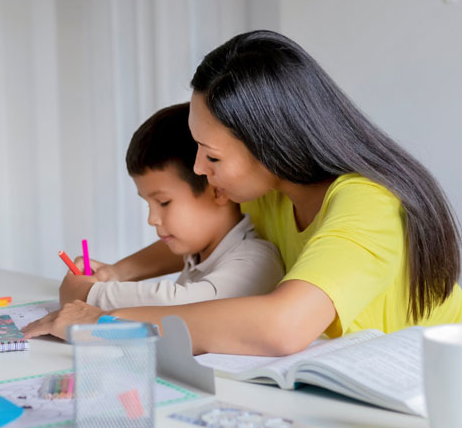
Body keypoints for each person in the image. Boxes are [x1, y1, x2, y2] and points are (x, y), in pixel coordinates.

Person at [24, 30, 462, 356]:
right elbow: (200, 233)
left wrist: (103, 320)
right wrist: (118, 273)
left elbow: (280, 327)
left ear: (270, 146)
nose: (198, 168)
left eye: (211, 157)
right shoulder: (272, 189)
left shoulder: (368, 205)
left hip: (424, 383)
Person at [53, 102, 283, 314]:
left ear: (217, 189)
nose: (152, 219)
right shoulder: (199, 257)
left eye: (163, 202)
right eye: (148, 203)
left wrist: (88, 294)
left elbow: (178, 306)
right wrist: (110, 274)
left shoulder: (254, 261)